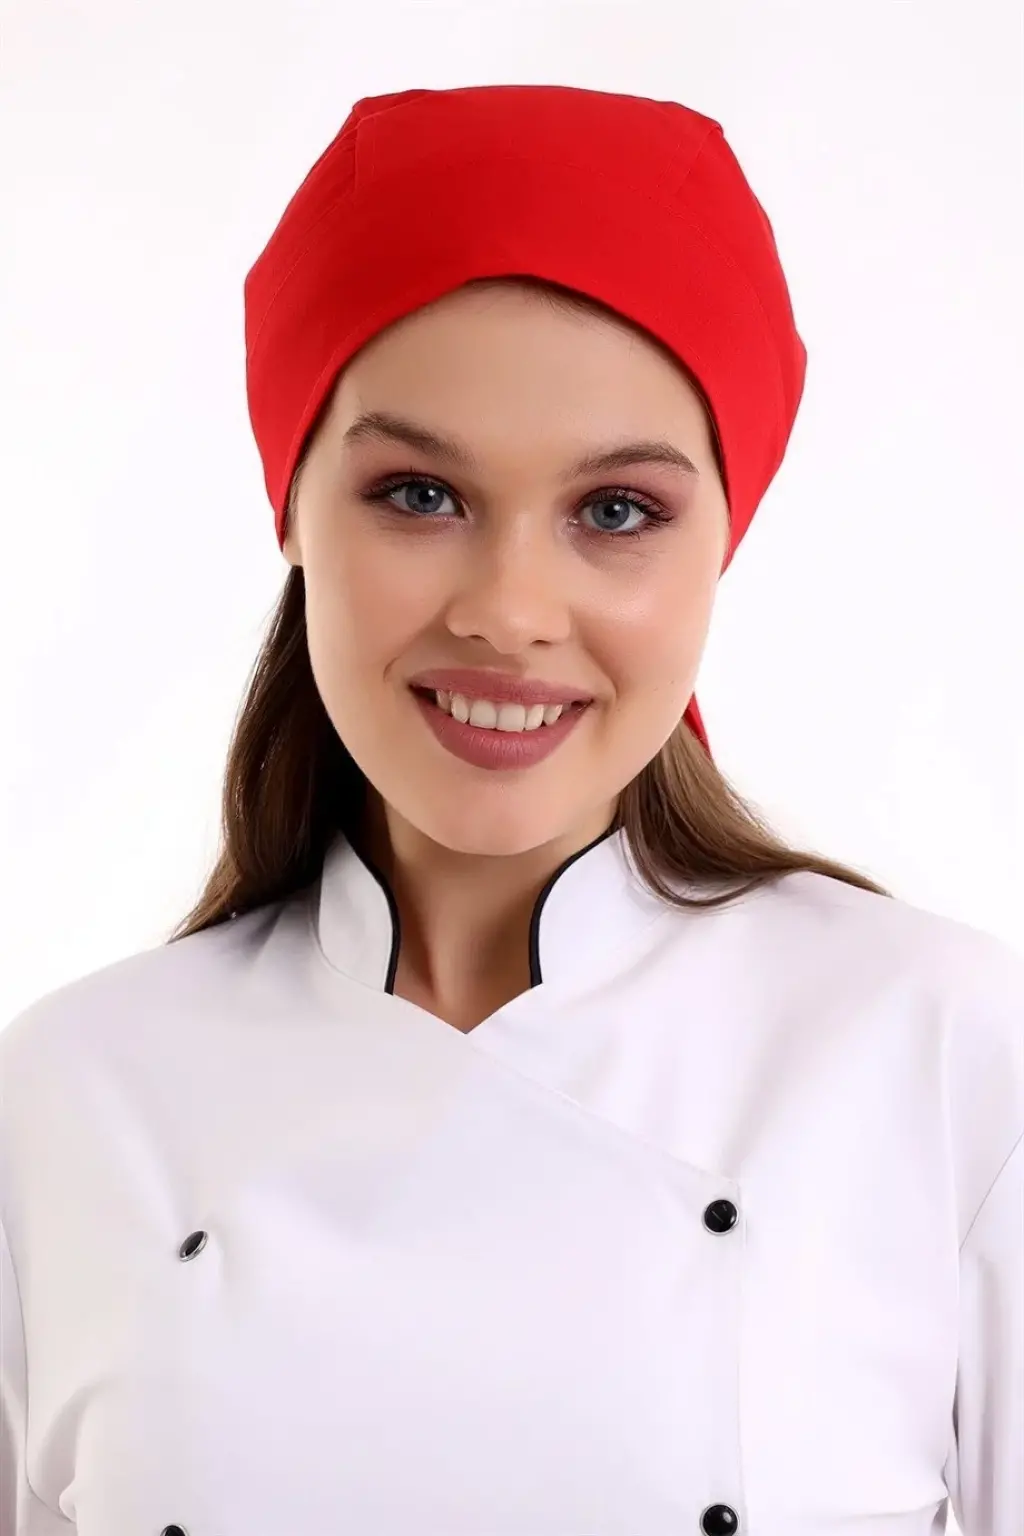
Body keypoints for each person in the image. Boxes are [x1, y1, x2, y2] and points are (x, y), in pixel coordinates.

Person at [1, 84, 1020, 1536]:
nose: (510, 611)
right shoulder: (70, 1097)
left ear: (726, 540)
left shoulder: (941, 1053)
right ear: (289, 508)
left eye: (617, 511)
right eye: (419, 495)